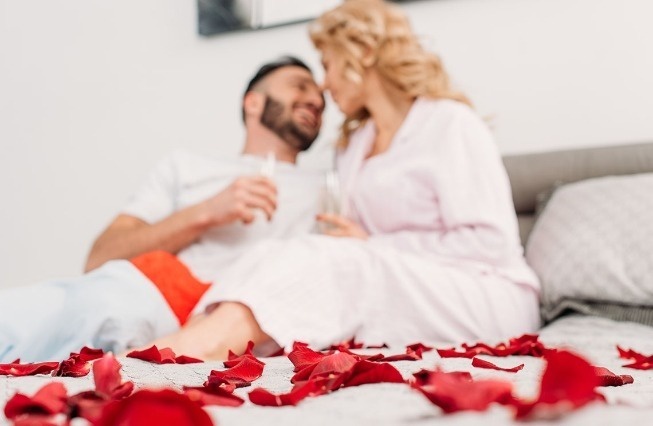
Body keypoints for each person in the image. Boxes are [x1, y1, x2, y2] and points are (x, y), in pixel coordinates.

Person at [146, 0, 541, 360]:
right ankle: (192, 339)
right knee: (273, 252)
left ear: (364, 52)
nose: (322, 84)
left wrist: (373, 245)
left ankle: (190, 352)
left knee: (345, 262)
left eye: (327, 63)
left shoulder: (450, 124)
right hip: (392, 281)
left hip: (482, 292)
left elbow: (489, 243)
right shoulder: (354, 146)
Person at [0, 56, 325, 363]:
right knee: (32, 317)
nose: (316, 100)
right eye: (299, 86)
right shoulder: (187, 165)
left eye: (321, 97)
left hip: (227, 326)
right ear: (253, 102)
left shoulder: (326, 188)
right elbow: (99, 257)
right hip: (142, 294)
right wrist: (208, 211)